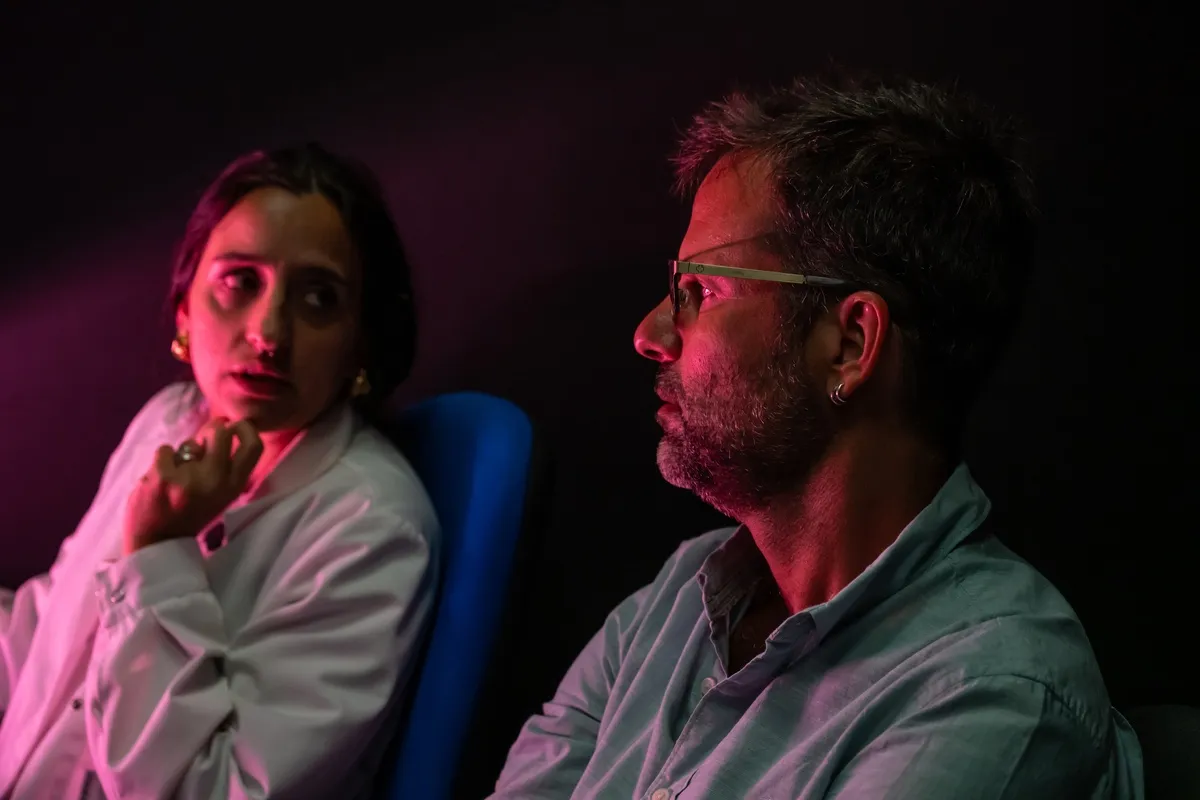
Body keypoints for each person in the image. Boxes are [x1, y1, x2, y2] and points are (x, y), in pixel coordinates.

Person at [491, 76, 1144, 798]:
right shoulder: (676, 600)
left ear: (850, 344)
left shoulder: (990, 692)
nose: (649, 334)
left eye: (699, 290)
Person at [0, 144, 439, 799]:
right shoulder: (169, 421)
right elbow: (47, 635)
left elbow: (212, 789)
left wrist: (158, 552)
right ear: (184, 307)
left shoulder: (372, 528)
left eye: (318, 298)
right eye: (239, 282)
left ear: (361, 342)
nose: (269, 332)